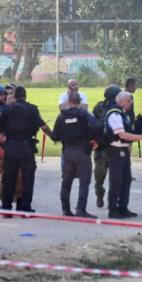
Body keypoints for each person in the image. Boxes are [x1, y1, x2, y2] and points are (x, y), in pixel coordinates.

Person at [0, 86, 52, 216]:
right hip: (27, 147)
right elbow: (43, 126)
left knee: (8, 178)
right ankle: (25, 208)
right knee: (28, 178)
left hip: (10, 147)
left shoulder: (7, 110)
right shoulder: (32, 109)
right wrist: (54, 136)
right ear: (25, 96)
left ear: (15, 97)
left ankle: (6, 209)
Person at [104, 91, 142, 219]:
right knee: (116, 180)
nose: (131, 103)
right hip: (115, 151)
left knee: (126, 180)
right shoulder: (115, 113)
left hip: (123, 149)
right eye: (128, 101)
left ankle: (123, 207)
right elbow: (121, 134)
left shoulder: (123, 113)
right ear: (120, 101)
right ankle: (113, 209)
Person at [51, 90, 102, 218]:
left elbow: (55, 136)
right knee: (84, 182)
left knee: (66, 181)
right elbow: (97, 126)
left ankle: (65, 209)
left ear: (68, 102)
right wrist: (94, 139)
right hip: (83, 152)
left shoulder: (61, 116)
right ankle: (81, 209)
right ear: (79, 102)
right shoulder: (84, 114)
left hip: (68, 152)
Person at [92, 84, 122, 208]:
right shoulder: (99, 108)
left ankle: (114, 200)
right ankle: (99, 194)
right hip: (102, 146)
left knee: (117, 176)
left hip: (115, 145)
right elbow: (92, 123)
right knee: (99, 174)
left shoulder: (120, 108)